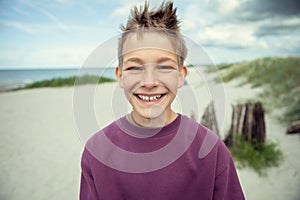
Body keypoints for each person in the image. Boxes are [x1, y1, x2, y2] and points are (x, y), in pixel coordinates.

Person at [80, 1, 245, 199]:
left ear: (181, 76)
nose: (149, 82)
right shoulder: (96, 151)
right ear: (120, 76)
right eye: (134, 67)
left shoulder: (211, 150)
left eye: (164, 67)